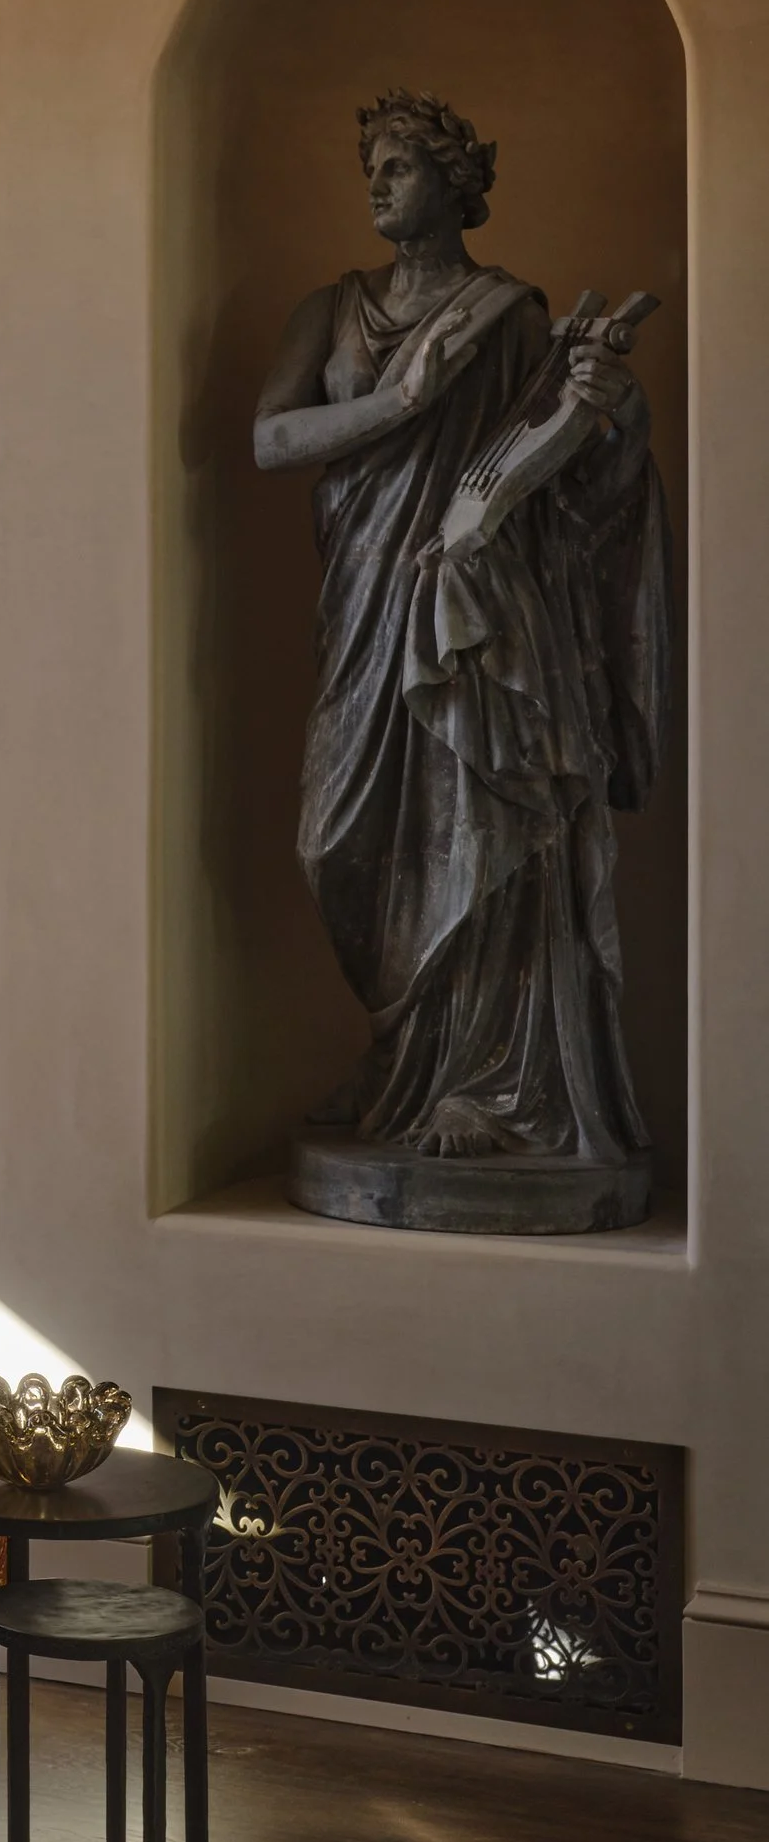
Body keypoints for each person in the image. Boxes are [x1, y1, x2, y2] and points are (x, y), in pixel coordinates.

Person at [252, 91, 669, 1161]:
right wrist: (401, 400)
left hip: (473, 614)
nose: (378, 185)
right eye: (371, 169)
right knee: (338, 841)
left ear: (454, 181)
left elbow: (566, 482)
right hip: (360, 600)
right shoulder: (330, 306)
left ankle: (485, 1084)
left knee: (475, 824)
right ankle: (399, 1055)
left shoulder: (508, 312)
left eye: (399, 166)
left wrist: (604, 403)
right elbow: (270, 439)